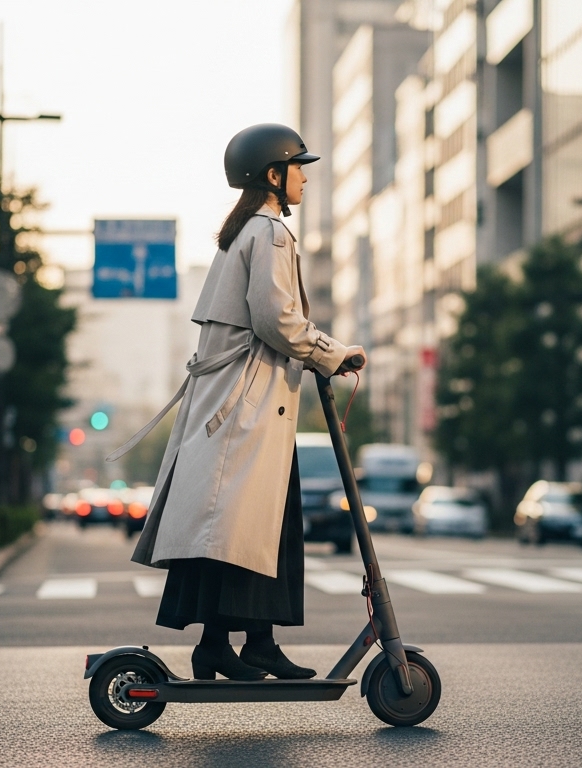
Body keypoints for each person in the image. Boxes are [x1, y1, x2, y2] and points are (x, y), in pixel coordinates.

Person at [116, 124, 364, 681]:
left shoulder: (242, 233)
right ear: (272, 176)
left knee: (233, 530)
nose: (304, 176)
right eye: (297, 167)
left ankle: (229, 645)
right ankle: (253, 645)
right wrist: (334, 353)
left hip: (232, 406)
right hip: (248, 411)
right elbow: (276, 320)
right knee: (254, 525)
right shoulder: (271, 232)